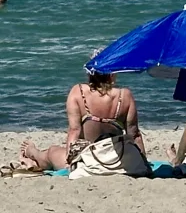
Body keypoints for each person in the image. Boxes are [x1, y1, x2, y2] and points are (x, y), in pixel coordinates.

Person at [14, 69, 145, 172]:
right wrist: (143, 163)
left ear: (90, 73)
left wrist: (69, 161)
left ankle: (33, 153)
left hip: (89, 160)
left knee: (52, 152)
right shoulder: (125, 95)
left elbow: (74, 131)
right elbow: (134, 134)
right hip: (118, 159)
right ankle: (33, 157)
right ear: (111, 74)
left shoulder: (79, 92)